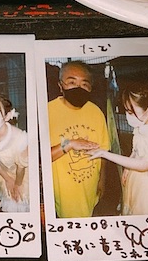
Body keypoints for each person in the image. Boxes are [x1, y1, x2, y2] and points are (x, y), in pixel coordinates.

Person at [89, 81, 148, 215]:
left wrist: (105, 154)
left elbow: (144, 165)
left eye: (130, 111)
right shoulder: (144, 123)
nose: (128, 116)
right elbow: (137, 150)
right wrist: (128, 167)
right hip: (136, 181)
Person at [47, 60, 111, 218]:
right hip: (62, 192)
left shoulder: (96, 112)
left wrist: (102, 179)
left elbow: (104, 150)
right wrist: (70, 144)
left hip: (89, 189)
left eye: (84, 84)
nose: (78, 88)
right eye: (72, 82)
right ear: (60, 85)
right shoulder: (47, 112)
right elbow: (40, 157)